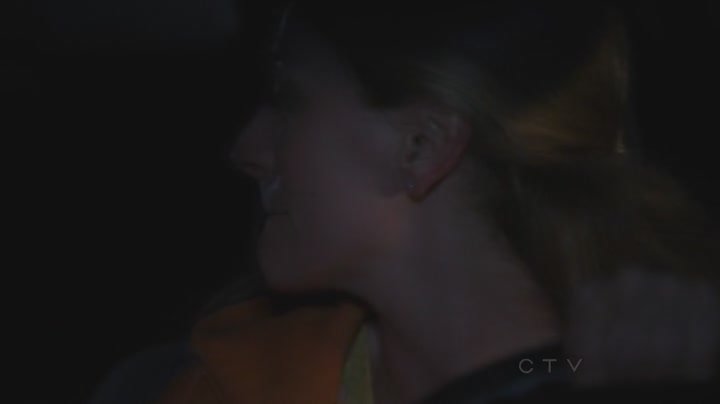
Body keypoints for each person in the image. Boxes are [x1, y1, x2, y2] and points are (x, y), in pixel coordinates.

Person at [90, 1, 720, 403]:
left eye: (290, 100)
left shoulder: (651, 364)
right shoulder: (211, 384)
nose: (247, 148)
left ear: (422, 146)